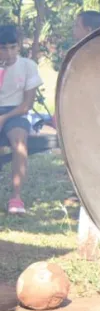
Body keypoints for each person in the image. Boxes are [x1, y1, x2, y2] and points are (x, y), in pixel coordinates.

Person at [0, 24, 44, 215]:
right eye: (3, 48)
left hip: (15, 112)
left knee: (19, 143)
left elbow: (26, 105)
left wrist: (4, 118)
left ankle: (16, 198)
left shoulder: (28, 66)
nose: (8, 53)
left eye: (12, 47)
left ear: (18, 47)